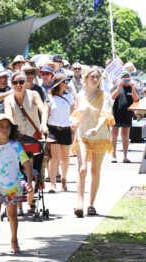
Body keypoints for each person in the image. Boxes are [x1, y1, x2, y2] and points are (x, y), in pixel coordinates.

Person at [0, 114, 33, 258]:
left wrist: (29, 182)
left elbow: (27, 164)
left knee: (12, 215)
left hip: (13, 187)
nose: (5, 129)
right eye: (1, 127)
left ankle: (14, 239)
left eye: (7, 127)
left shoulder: (15, 146)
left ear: (11, 129)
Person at [71, 67, 114, 217]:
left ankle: (91, 204)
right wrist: (74, 123)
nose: (95, 79)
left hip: (100, 135)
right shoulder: (79, 95)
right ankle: (79, 203)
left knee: (95, 170)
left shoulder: (105, 96)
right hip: (83, 135)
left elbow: (105, 114)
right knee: (82, 168)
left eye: (97, 77)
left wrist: (96, 127)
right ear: (86, 78)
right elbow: (77, 114)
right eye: (92, 77)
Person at [4, 71, 48, 215]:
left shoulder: (33, 95)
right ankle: (19, 205)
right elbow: (9, 117)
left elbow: (44, 108)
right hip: (18, 139)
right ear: (11, 84)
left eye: (21, 82)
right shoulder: (9, 100)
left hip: (33, 137)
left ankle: (31, 201)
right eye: (15, 82)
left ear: (26, 82)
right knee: (18, 170)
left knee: (32, 168)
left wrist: (43, 124)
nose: (18, 85)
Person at [46, 74, 74, 193]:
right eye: (65, 81)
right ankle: (52, 184)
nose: (66, 83)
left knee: (66, 158)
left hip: (66, 129)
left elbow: (73, 112)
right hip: (53, 129)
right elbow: (45, 112)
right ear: (59, 84)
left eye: (67, 81)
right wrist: (43, 125)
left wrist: (73, 127)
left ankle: (64, 180)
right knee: (54, 158)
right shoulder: (50, 97)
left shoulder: (69, 97)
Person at [111, 71, 138, 163]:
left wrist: (133, 87)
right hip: (116, 113)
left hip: (127, 114)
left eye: (128, 78)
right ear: (121, 78)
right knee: (114, 135)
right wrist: (119, 86)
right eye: (124, 78)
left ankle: (125, 156)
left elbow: (136, 99)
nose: (126, 80)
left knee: (125, 136)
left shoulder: (131, 87)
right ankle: (113, 155)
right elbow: (113, 97)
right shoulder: (117, 85)